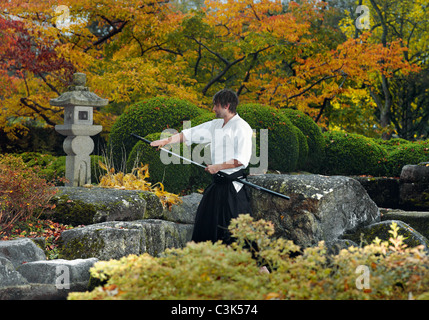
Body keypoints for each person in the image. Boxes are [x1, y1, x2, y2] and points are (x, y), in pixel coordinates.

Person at [150, 89, 253, 244]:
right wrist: (165, 141)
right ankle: (204, 262)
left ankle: (260, 267)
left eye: (216, 105)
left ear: (226, 105)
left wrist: (218, 166)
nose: (213, 109)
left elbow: (241, 159)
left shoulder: (241, 127)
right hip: (217, 184)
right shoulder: (215, 125)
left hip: (234, 188)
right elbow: (188, 134)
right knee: (204, 224)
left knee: (238, 233)